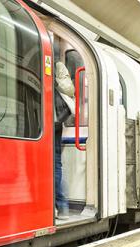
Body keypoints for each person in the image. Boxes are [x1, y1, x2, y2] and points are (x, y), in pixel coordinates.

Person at [54, 62, 75, 220]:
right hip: (38, 116)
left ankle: (62, 206)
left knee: (55, 163)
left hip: (53, 120)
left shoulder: (57, 65)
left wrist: (52, 80)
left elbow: (69, 89)